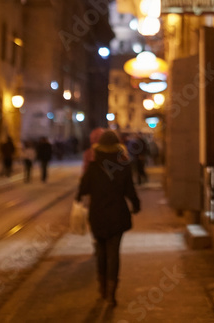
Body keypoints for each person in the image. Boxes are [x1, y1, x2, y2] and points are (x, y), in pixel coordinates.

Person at [76, 130, 140, 307]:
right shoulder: (124, 165)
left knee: (101, 252)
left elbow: (83, 189)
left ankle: (102, 289)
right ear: (118, 147)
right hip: (117, 214)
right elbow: (130, 190)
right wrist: (136, 205)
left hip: (97, 214)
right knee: (114, 254)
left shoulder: (94, 166)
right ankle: (112, 294)